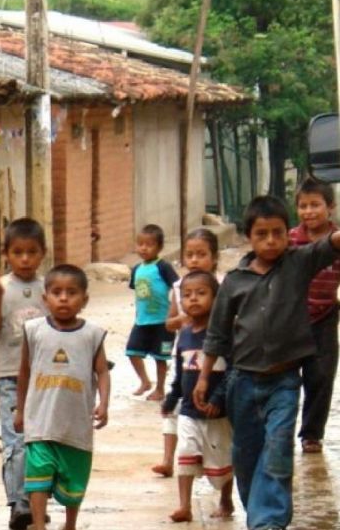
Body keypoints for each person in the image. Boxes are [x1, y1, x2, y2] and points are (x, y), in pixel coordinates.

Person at [197, 195, 340, 530]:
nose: (272, 241)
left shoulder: (298, 262)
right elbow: (216, 335)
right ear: (249, 236)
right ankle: (259, 515)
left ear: (288, 234)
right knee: (246, 457)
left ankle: (269, 522)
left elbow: (331, 244)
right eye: (262, 234)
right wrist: (205, 378)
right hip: (242, 383)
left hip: (286, 381)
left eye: (278, 232)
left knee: (277, 453)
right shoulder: (234, 281)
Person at [15, 264, 111, 530]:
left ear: (85, 300)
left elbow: (102, 371)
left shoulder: (92, 334)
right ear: (45, 299)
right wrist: (20, 410)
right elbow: (23, 372)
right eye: (57, 292)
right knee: (38, 475)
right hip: (40, 422)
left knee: (74, 480)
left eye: (72, 292)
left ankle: (70, 524)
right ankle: (39, 524)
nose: (64, 298)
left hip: (76, 425)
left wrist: (104, 403)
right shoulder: (33, 330)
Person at [0, 218, 48, 530]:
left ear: (42, 253)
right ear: (6, 254)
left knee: (41, 443)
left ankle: (37, 503)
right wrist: (0, 296)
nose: (26, 259)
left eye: (32, 252)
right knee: (15, 441)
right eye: (18, 253)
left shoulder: (49, 288)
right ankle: (18, 505)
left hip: (45, 380)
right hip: (9, 378)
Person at [161, 271, 233, 523]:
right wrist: (172, 398)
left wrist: (218, 399)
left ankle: (226, 498)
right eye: (187, 295)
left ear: (216, 298)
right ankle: (184, 505)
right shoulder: (185, 335)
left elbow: (232, 372)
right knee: (186, 452)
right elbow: (181, 372)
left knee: (222, 458)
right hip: (189, 410)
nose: (193, 299)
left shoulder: (223, 334)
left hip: (217, 413)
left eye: (201, 294)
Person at [153, 228, 219, 477]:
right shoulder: (179, 287)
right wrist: (185, 317)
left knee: (209, 408)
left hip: (212, 356)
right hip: (184, 354)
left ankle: (210, 460)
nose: (194, 260)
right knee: (174, 403)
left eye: (201, 254)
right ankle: (168, 459)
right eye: (189, 254)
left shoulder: (220, 287)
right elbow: (168, 323)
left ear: (213, 258)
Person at [288, 177, 340, 454]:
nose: (309, 211)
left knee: (320, 377)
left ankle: (311, 434)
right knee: (285, 375)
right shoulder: (290, 240)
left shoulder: (337, 240)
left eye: (315, 205)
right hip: (292, 318)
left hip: (326, 316)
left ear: (330, 207)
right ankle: (282, 426)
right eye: (303, 206)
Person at [127, 224, 179, 400]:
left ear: (159, 247)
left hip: (162, 322)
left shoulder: (163, 267)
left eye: (149, 244)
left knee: (160, 357)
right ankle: (145, 381)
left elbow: (177, 287)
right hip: (142, 321)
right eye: (140, 244)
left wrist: (175, 312)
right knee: (132, 352)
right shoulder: (136, 270)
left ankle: (160, 389)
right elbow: (139, 293)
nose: (143, 248)